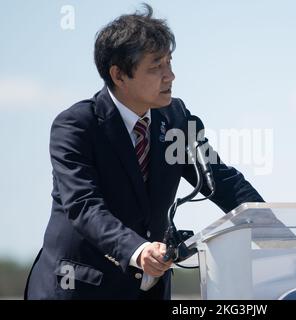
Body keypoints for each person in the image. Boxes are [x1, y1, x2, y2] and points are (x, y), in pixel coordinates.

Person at [25, 3, 264, 300]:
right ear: (119, 75)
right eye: (155, 67)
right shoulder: (75, 126)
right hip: (79, 289)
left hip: (149, 291)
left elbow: (221, 181)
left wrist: (274, 231)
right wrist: (138, 250)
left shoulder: (177, 118)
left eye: (169, 62)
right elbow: (84, 206)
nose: (170, 76)